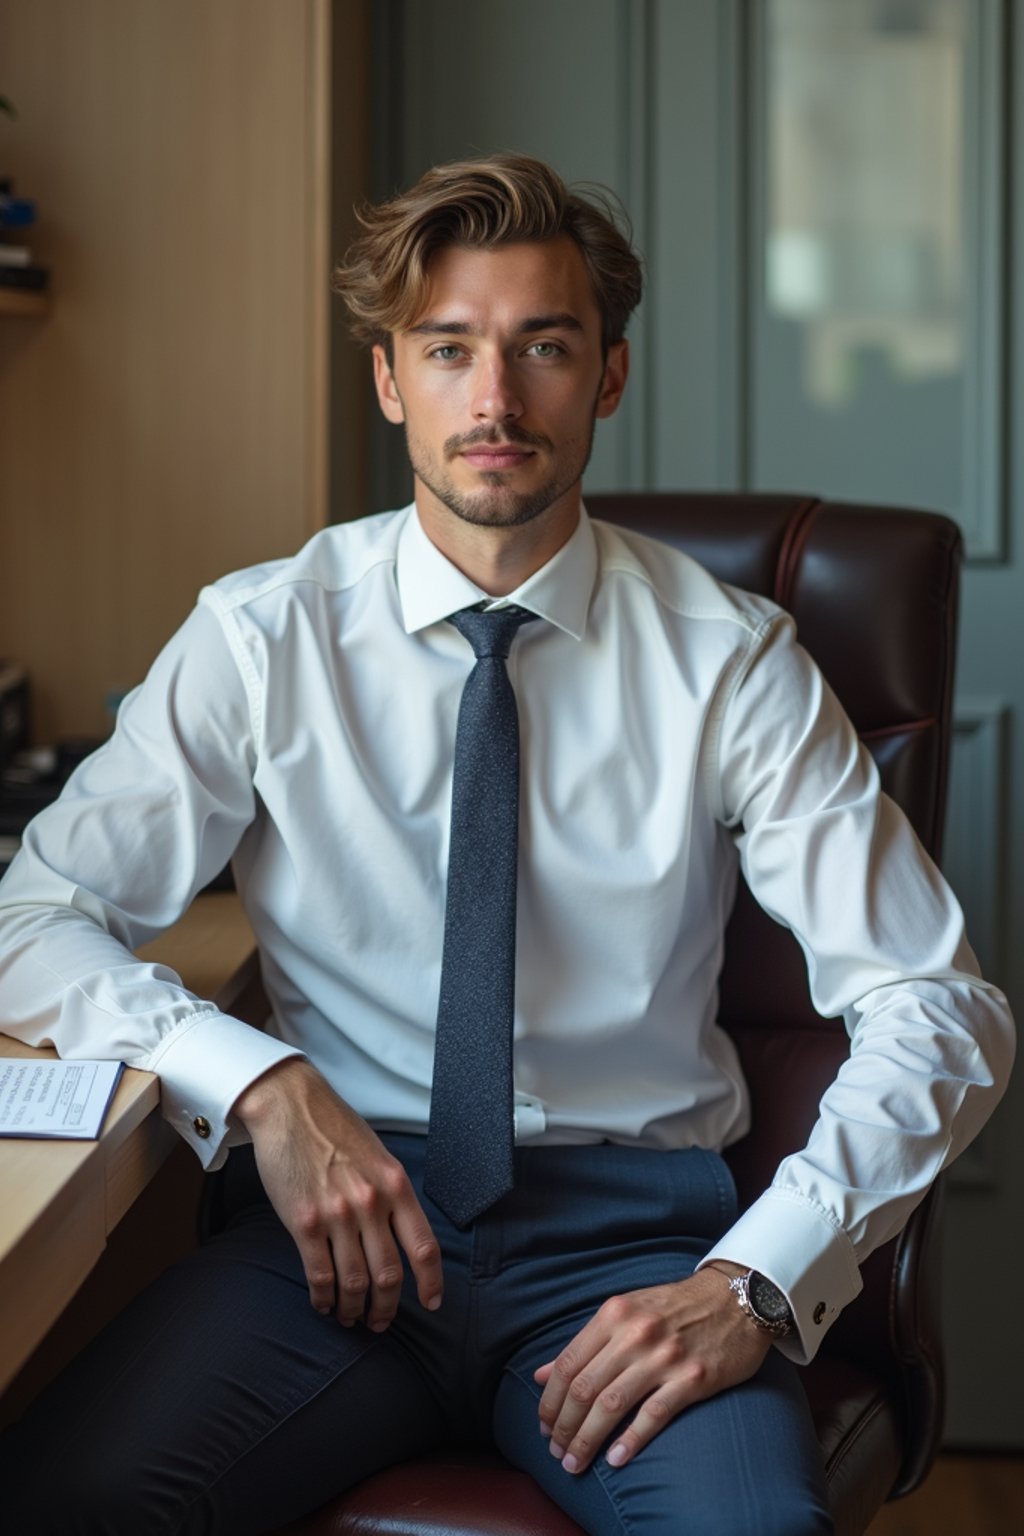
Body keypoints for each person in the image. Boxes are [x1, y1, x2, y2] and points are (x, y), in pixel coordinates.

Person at [0, 154, 1014, 1536]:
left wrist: (754, 1284)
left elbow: (938, 1008)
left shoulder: (730, 662)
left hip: (636, 1241)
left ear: (607, 376)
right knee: (67, 1498)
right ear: (387, 379)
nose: (494, 399)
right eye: (449, 349)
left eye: (543, 347)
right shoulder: (262, 637)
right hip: (334, 1239)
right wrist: (261, 1089)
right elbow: (31, 920)